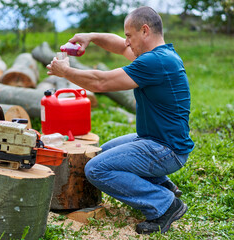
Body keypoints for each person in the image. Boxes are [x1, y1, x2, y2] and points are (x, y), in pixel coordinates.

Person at [47, 6, 194, 234]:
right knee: (103, 153)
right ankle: (161, 184)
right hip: (156, 139)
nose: (126, 42)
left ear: (145, 31)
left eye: (129, 36)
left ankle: (164, 204)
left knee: (96, 169)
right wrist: (91, 37)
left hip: (166, 149)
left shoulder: (155, 63)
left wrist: (66, 72)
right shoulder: (158, 56)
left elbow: (100, 83)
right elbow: (117, 44)